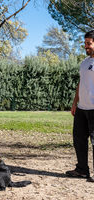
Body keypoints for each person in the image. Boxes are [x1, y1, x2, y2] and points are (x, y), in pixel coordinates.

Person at [66, 30, 94, 181]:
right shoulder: (84, 62)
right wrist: (75, 102)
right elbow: (81, 83)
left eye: (89, 43)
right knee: (79, 139)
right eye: (85, 43)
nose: (86, 46)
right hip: (82, 108)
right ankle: (82, 169)